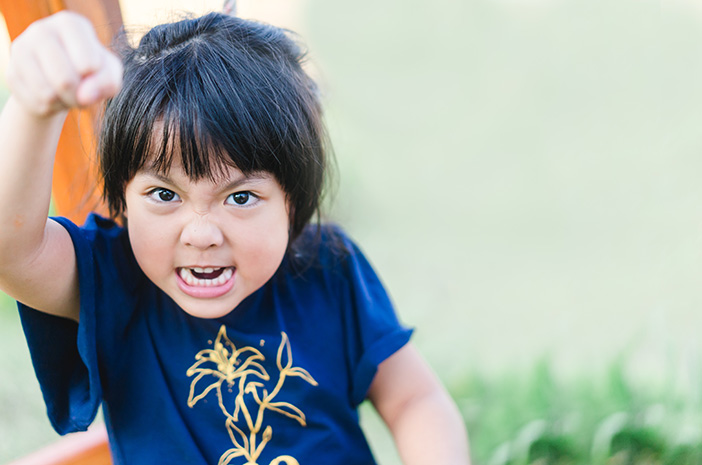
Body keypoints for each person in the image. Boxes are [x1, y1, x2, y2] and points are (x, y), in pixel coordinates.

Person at [0, 10, 470, 465]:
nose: (202, 234)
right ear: (122, 198)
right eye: (164, 193)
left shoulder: (329, 268)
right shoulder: (113, 283)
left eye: (241, 198)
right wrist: (32, 108)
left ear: (293, 199)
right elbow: (12, 252)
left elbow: (413, 399)